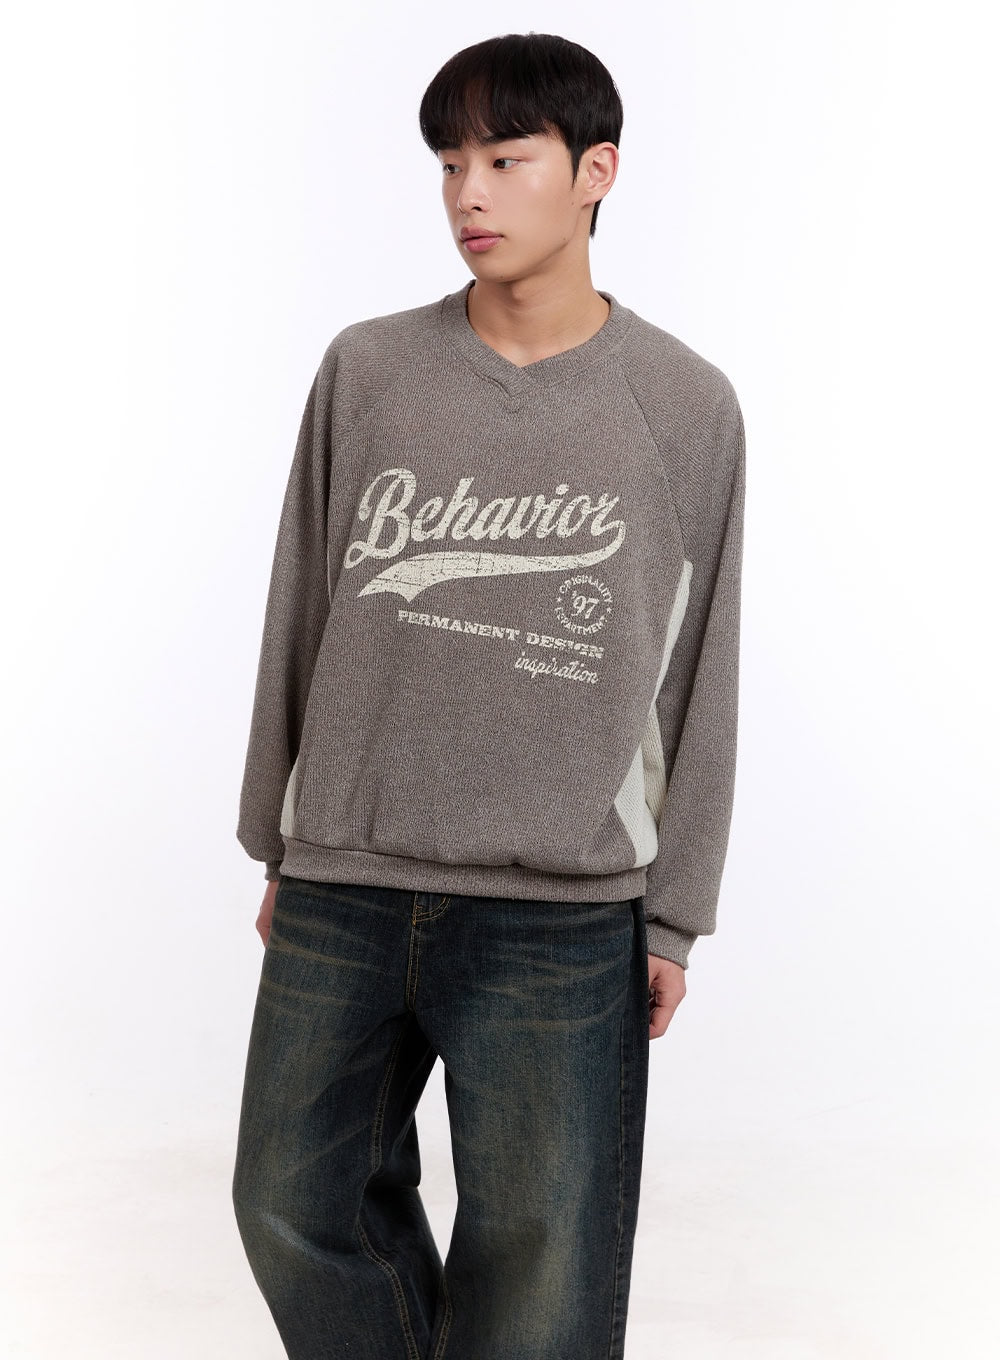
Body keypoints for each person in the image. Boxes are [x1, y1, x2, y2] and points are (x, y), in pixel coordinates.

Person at [231, 30, 746, 1360]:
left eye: (506, 160)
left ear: (595, 173)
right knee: (289, 1205)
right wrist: (281, 839)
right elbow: (302, 606)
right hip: (347, 880)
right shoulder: (369, 370)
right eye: (450, 163)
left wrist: (674, 915)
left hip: (559, 916)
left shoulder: (685, 406)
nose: (469, 192)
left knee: (542, 1272)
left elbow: (702, 672)